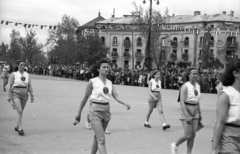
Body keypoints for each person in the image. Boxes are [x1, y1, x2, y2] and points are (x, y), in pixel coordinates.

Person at [73, 59, 130, 154]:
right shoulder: (92, 82)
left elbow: (116, 96)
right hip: (95, 111)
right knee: (102, 140)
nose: (106, 69)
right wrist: (78, 114)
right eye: (104, 67)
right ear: (98, 69)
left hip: (106, 112)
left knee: (97, 137)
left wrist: (124, 103)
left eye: (107, 67)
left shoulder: (109, 83)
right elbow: (85, 98)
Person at [211, 59, 240, 154]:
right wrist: (214, 148)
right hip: (229, 138)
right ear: (236, 73)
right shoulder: (226, 94)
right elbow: (219, 122)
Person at [171, 67, 201, 154]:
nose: (196, 75)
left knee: (193, 135)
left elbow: (197, 100)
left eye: (197, 74)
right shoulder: (185, 86)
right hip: (186, 110)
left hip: (195, 111)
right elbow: (182, 102)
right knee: (188, 135)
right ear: (189, 75)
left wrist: (199, 112)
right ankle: (175, 145)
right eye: (194, 74)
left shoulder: (198, 86)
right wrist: (186, 115)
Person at [7, 60, 34, 136]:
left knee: (21, 112)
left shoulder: (27, 75)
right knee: (19, 110)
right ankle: (20, 128)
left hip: (25, 94)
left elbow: (30, 86)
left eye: (24, 65)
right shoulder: (14, 74)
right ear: (18, 65)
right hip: (16, 93)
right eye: (21, 65)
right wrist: (9, 96)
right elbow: (9, 86)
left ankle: (17, 125)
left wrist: (32, 95)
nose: (23, 66)